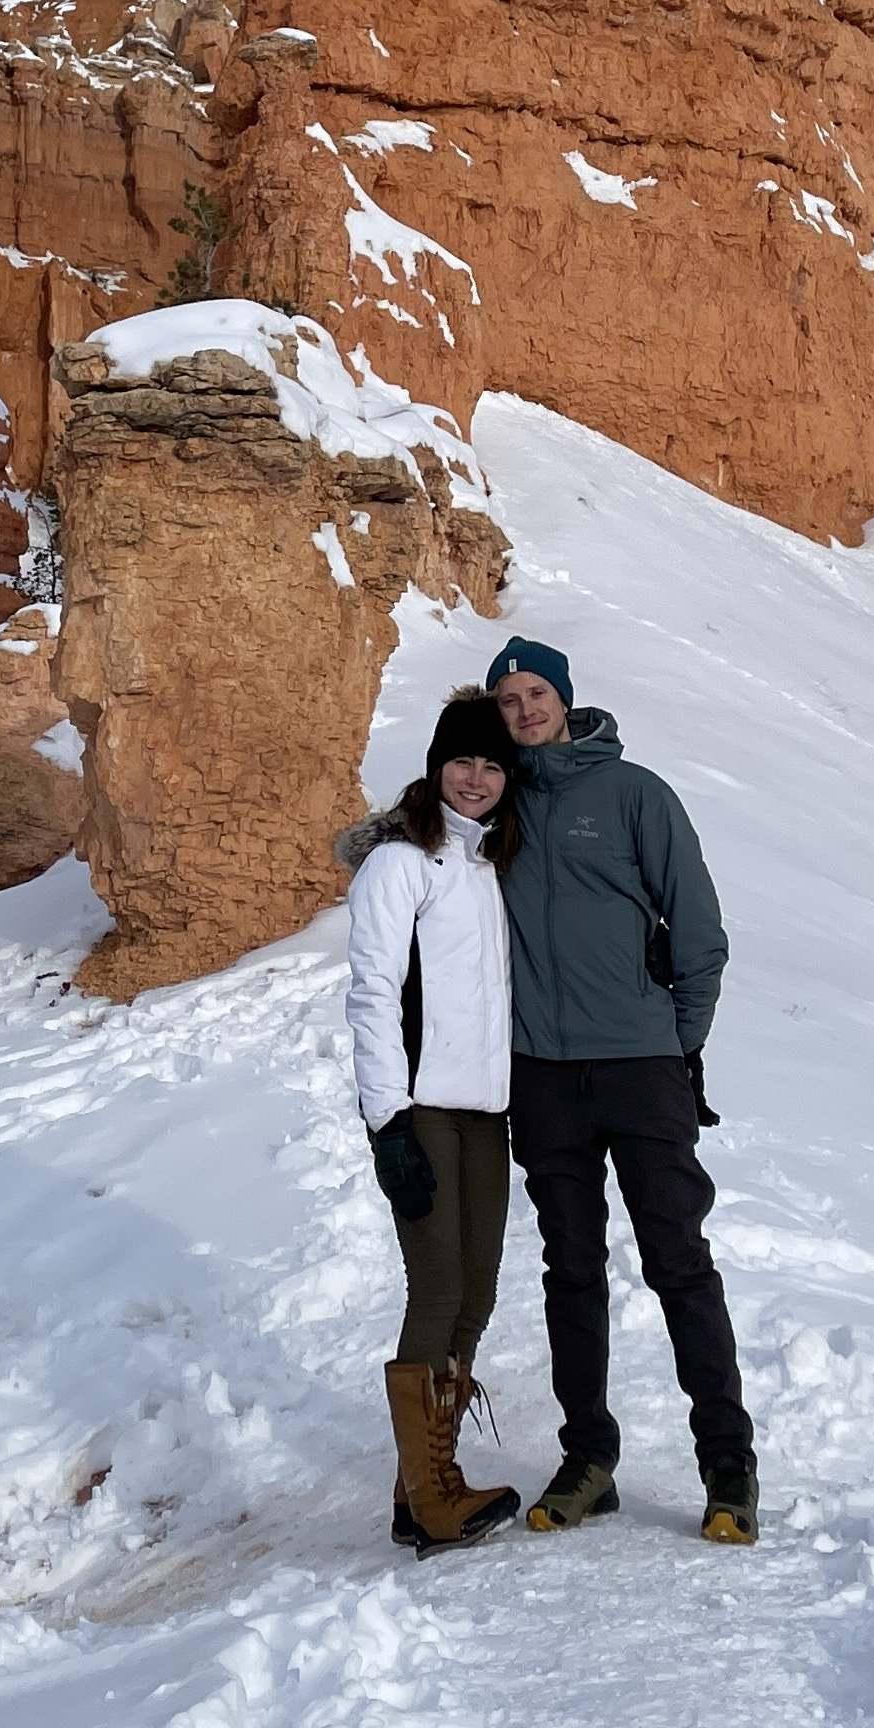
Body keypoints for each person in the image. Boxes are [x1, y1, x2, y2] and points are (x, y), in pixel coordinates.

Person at [486, 634, 758, 1546]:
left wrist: (675, 1043)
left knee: (678, 1261)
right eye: (509, 699)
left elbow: (700, 932)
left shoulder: (636, 794)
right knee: (570, 1270)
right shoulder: (498, 805)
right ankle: (588, 1460)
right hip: (543, 1076)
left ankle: (728, 1465)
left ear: (565, 698)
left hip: (641, 1070)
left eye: (537, 693)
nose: (526, 709)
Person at [344, 688, 528, 1550]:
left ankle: (420, 1488)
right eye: (462, 761)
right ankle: (433, 1497)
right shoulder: (400, 864)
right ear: (436, 765)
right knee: (439, 1287)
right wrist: (387, 1121)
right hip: (418, 1110)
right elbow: (373, 994)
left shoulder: (492, 865)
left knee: (477, 1292)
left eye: (492, 765)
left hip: (484, 1113)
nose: (476, 778)